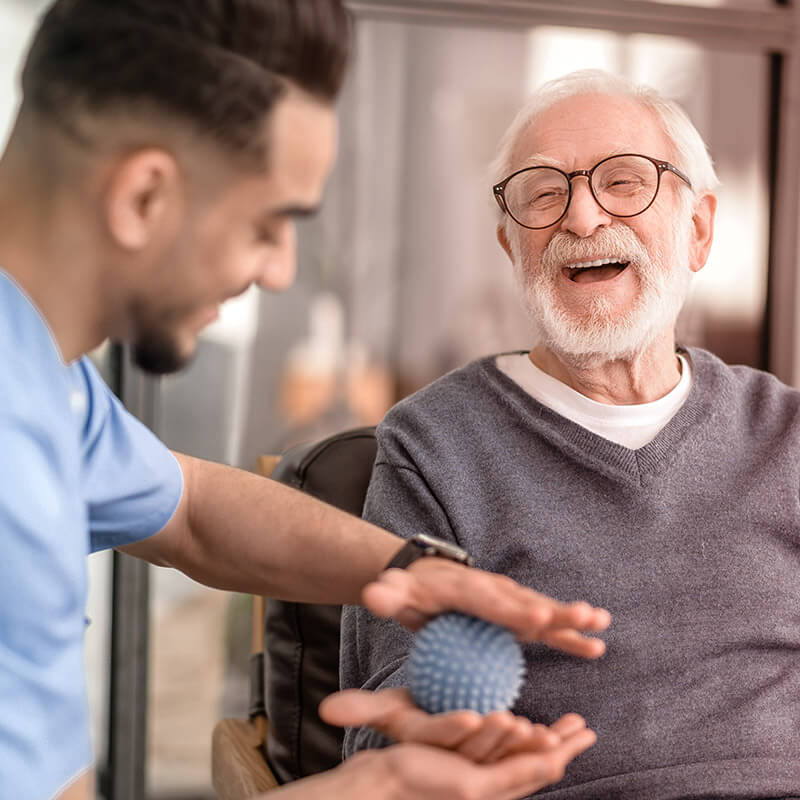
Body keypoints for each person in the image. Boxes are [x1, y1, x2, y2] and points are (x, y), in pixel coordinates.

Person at [0, 4, 616, 800]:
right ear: (144, 196)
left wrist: (409, 569)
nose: (281, 271)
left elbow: (191, 510)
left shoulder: (43, 376)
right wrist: (382, 788)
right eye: (270, 224)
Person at [341, 68, 800, 798]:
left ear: (700, 229)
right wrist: (445, 730)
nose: (582, 219)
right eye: (544, 194)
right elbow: (383, 728)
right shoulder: (435, 445)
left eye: (623, 182)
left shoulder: (787, 435)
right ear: (509, 246)